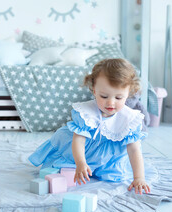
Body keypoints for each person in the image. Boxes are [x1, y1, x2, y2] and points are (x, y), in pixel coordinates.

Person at [28, 58, 151, 195]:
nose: (110, 103)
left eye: (118, 98)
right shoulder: (86, 113)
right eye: (104, 96)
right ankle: (79, 166)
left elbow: (134, 150)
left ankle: (99, 168)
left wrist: (139, 178)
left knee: (114, 177)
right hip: (80, 152)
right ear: (94, 90)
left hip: (108, 158)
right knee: (64, 170)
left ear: (128, 94)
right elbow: (78, 140)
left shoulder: (129, 118)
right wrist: (80, 162)